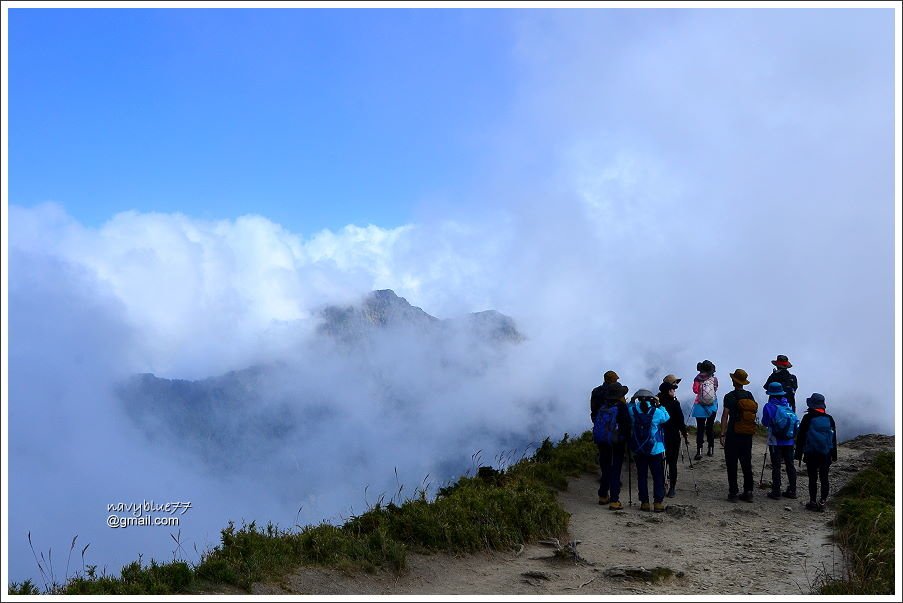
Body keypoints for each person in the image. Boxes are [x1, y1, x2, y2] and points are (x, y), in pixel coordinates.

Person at [590, 371, 631, 510]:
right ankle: (614, 500)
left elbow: (593, 412)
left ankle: (603, 495)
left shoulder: (599, 396)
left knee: (605, 465)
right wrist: (627, 440)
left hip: (602, 437)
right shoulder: (620, 406)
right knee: (616, 468)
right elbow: (626, 425)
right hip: (616, 441)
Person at [718, 369, 758, 503]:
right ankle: (748, 491)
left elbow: (725, 416)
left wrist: (722, 433)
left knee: (732, 463)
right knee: (746, 463)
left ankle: (733, 492)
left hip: (733, 434)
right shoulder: (749, 395)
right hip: (747, 434)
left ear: (733, 381)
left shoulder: (729, 396)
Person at [627, 389, 670, 512]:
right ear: (652, 400)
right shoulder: (657, 412)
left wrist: (631, 401)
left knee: (642, 476)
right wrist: (660, 404)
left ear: (638, 399)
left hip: (639, 449)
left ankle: (644, 502)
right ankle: (658, 503)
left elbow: (627, 409)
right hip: (655, 449)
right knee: (658, 476)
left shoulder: (632, 410)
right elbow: (667, 418)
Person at [794, 393, 838, 512]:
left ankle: (812, 501)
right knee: (824, 478)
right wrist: (834, 455)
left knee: (812, 478)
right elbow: (833, 438)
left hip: (811, 453)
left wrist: (798, 454)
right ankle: (822, 501)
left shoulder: (808, 418)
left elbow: (801, 437)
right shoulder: (829, 419)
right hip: (826, 453)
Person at [761, 381, 799, 500]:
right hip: (789, 440)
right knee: (790, 465)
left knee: (776, 466)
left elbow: (765, 422)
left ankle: (776, 491)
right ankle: (792, 490)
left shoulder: (769, 406)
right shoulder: (787, 405)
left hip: (775, 441)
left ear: (770, 394)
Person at [658, 374, 688, 498]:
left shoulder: (657, 401)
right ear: (668, 390)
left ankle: (661, 486)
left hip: (659, 436)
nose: (675, 390)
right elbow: (680, 421)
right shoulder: (675, 404)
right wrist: (685, 434)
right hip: (673, 436)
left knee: (661, 462)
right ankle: (672, 488)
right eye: (673, 388)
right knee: (672, 463)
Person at [691, 360, 719, 459]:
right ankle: (710, 449)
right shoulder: (714, 379)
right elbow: (715, 389)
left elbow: (695, 390)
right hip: (712, 405)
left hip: (699, 406)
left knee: (700, 429)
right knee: (710, 428)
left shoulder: (697, 378)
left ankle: (699, 451)